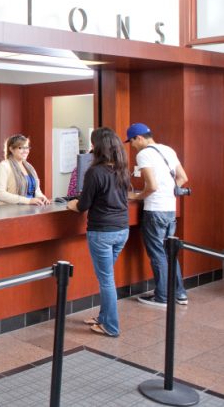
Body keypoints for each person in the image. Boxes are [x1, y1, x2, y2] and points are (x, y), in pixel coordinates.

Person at [67, 127, 130, 337]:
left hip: (102, 232)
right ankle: (103, 318)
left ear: (98, 147)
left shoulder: (95, 172)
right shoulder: (121, 169)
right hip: (122, 230)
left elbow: (83, 205)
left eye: (93, 144)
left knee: (106, 279)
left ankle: (111, 326)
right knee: (107, 276)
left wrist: (72, 204)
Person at [126, 123, 190, 308]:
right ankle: (179, 294)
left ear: (139, 138)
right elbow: (183, 178)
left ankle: (162, 296)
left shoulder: (144, 154)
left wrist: (137, 196)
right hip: (170, 209)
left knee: (157, 254)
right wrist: (167, 191)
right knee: (170, 252)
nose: (132, 146)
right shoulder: (168, 150)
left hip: (155, 210)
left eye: (131, 142)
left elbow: (152, 186)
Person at [0, 134, 50, 206]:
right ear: (11, 149)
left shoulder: (29, 167)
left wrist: (42, 197)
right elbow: (0, 194)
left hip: (30, 208)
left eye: (27, 147)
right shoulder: (3, 166)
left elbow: (36, 190)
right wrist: (28, 201)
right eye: (21, 148)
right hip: (10, 210)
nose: (25, 151)